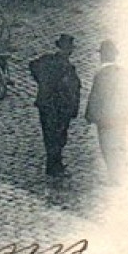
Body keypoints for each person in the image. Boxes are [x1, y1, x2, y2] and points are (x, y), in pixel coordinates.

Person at [32, 34, 82, 178]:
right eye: (68, 48)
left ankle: (53, 165)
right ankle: (55, 168)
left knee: (50, 136)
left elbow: (33, 66)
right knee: (58, 137)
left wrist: (42, 84)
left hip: (46, 105)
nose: (69, 51)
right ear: (68, 50)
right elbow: (70, 89)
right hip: (59, 107)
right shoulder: (66, 67)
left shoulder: (46, 60)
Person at [84, 40, 124, 180]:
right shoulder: (122, 72)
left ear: (103, 56)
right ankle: (120, 172)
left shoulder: (100, 74)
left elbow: (95, 95)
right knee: (119, 143)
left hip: (105, 118)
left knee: (106, 145)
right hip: (120, 116)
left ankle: (114, 174)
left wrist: (89, 114)